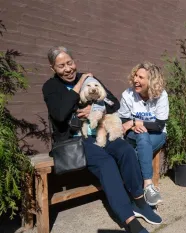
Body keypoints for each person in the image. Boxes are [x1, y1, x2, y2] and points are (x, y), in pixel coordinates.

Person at [42, 46, 162, 233]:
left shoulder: (91, 79)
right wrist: (79, 83)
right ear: (53, 69)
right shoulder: (51, 87)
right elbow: (59, 115)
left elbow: (114, 102)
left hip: (101, 131)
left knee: (126, 151)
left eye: (70, 63)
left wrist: (97, 109)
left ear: (75, 61)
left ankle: (140, 202)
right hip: (76, 140)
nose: (68, 69)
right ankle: (129, 220)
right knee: (106, 163)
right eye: (61, 66)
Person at [119, 62, 169, 206]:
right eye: (135, 75)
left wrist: (136, 122)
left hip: (157, 134)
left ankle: (133, 193)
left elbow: (159, 125)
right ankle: (148, 186)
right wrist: (135, 124)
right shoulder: (128, 94)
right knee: (142, 135)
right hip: (132, 135)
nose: (136, 80)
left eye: (141, 77)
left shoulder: (161, 95)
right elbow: (123, 119)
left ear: (151, 81)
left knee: (141, 139)